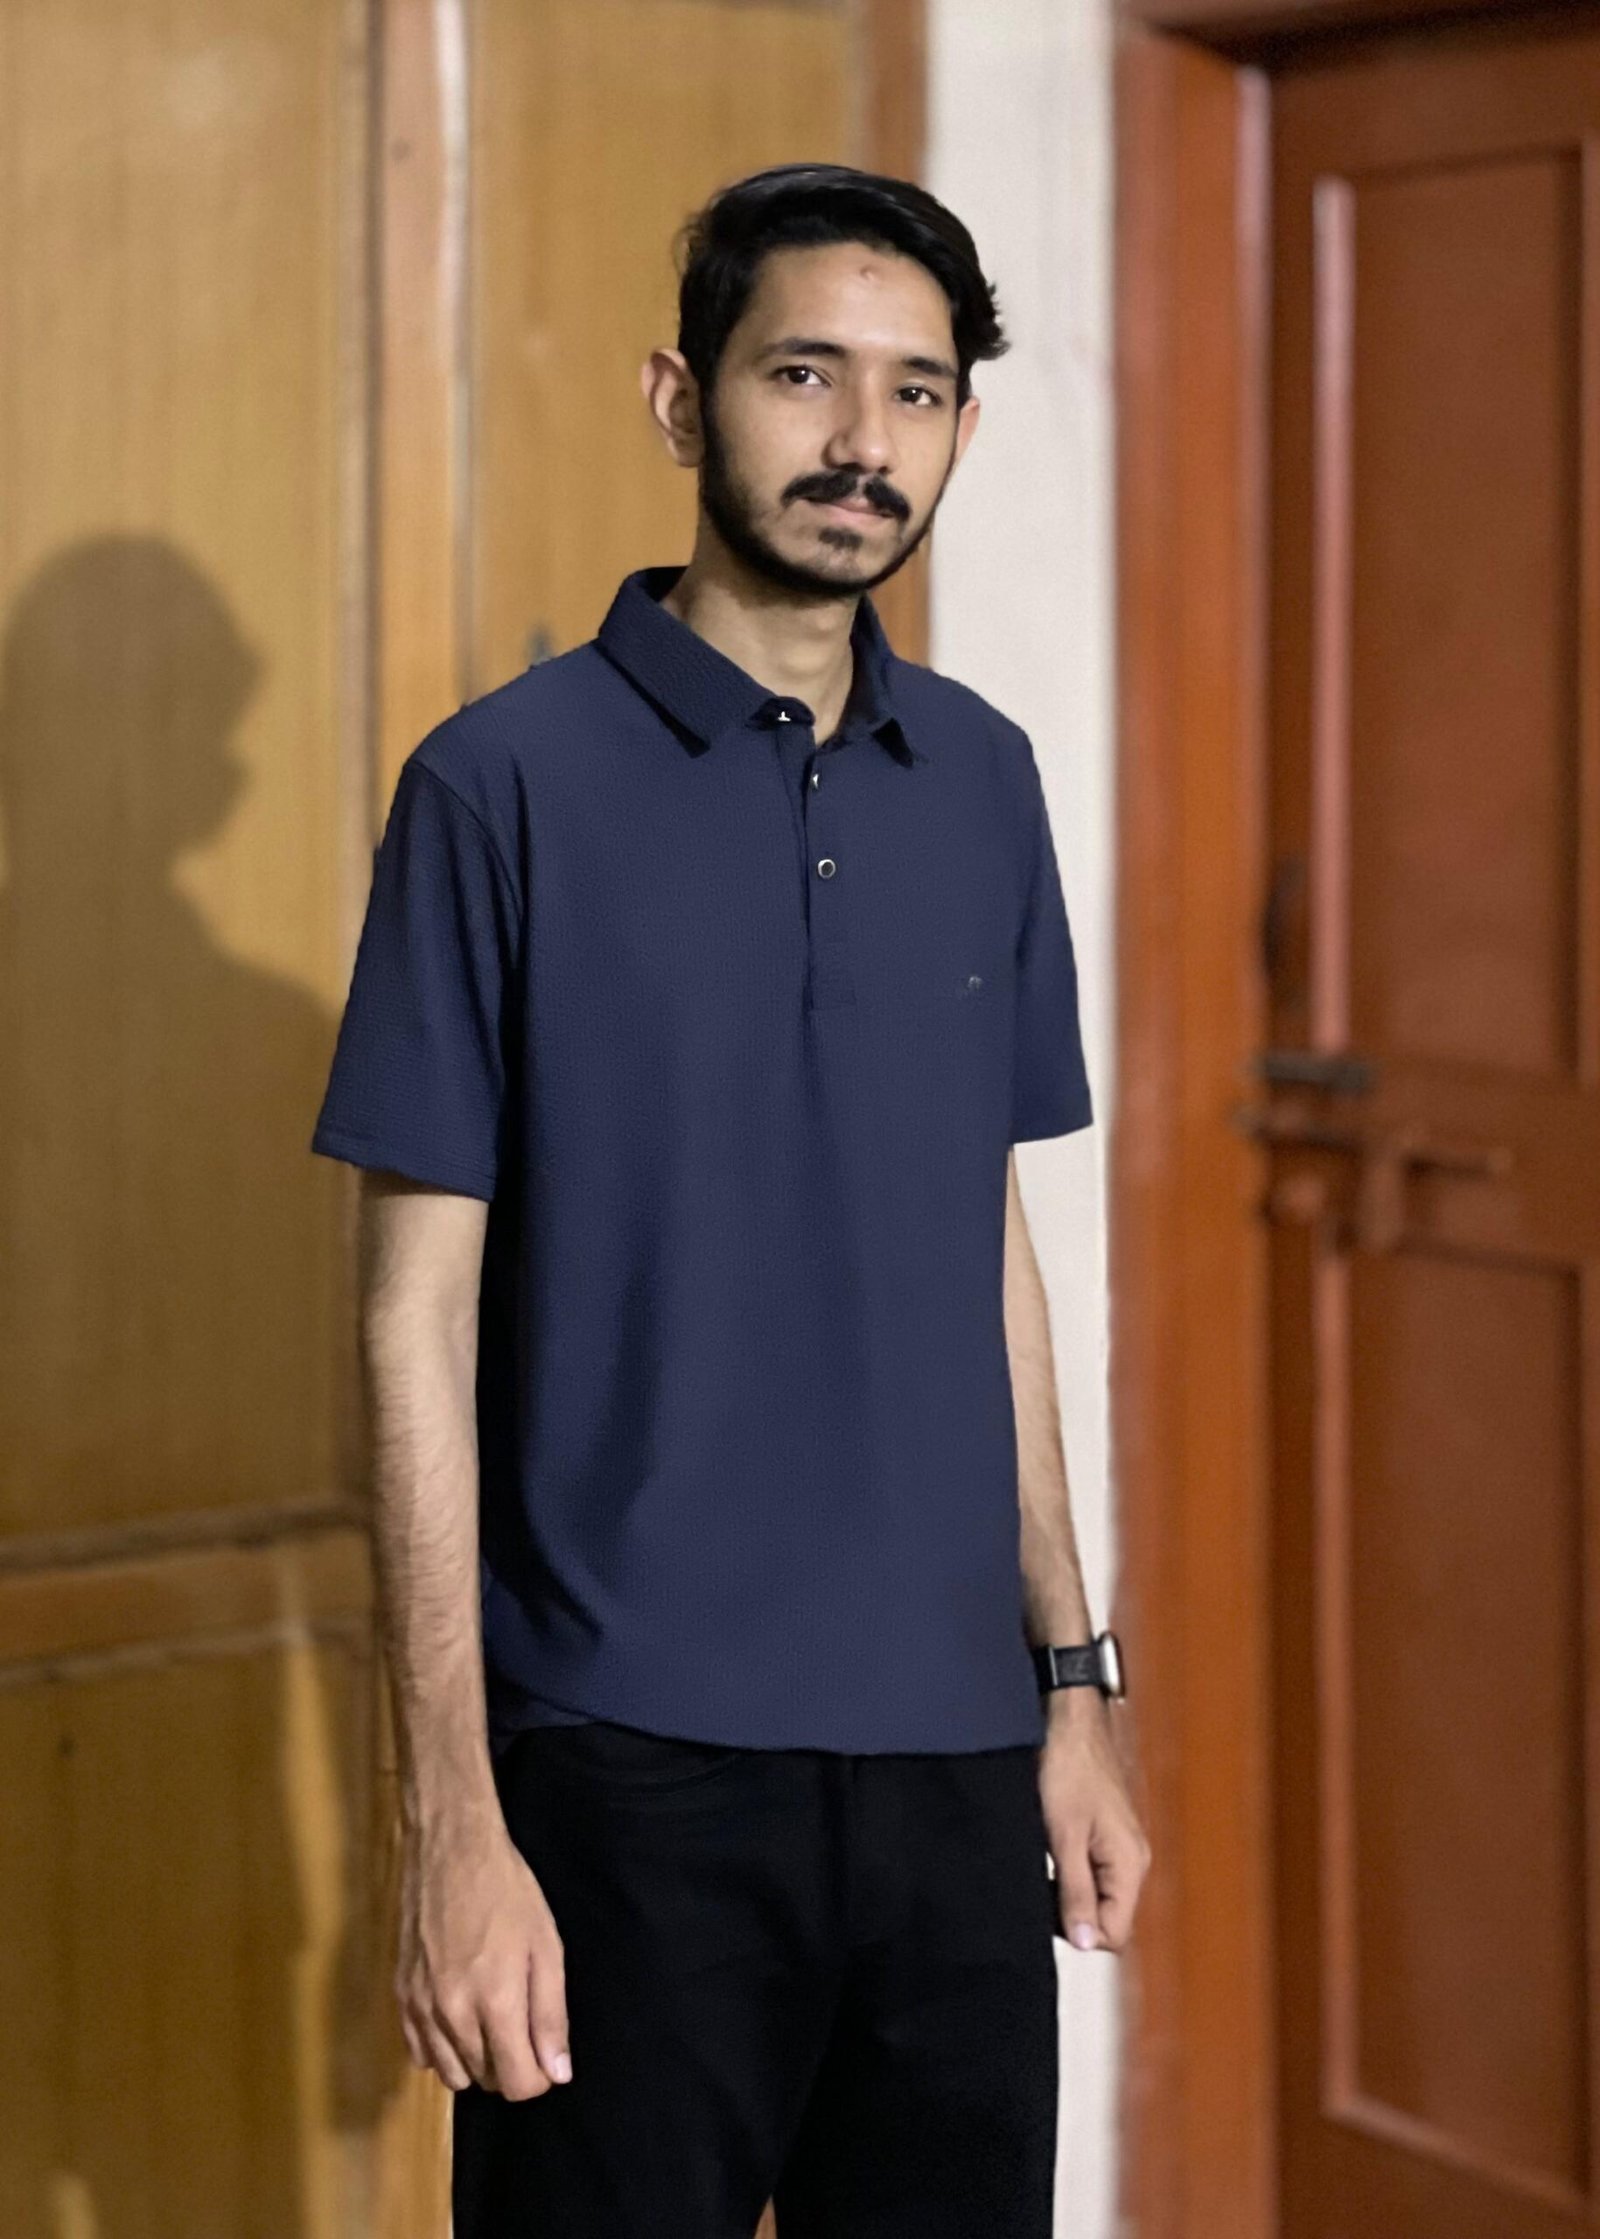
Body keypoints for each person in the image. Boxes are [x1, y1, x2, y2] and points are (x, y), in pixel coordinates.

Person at [311, 160, 1150, 2238]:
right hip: (622, 1770)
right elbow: (412, 1319)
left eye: (917, 391)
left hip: (953, 1763)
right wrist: (452, 1817)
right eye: (803, 374)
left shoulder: (985, 779)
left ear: (960, 428)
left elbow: (984, 1245)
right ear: (682, 401)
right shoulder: (497, 786)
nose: (864, 440)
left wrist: (1073, 1687)